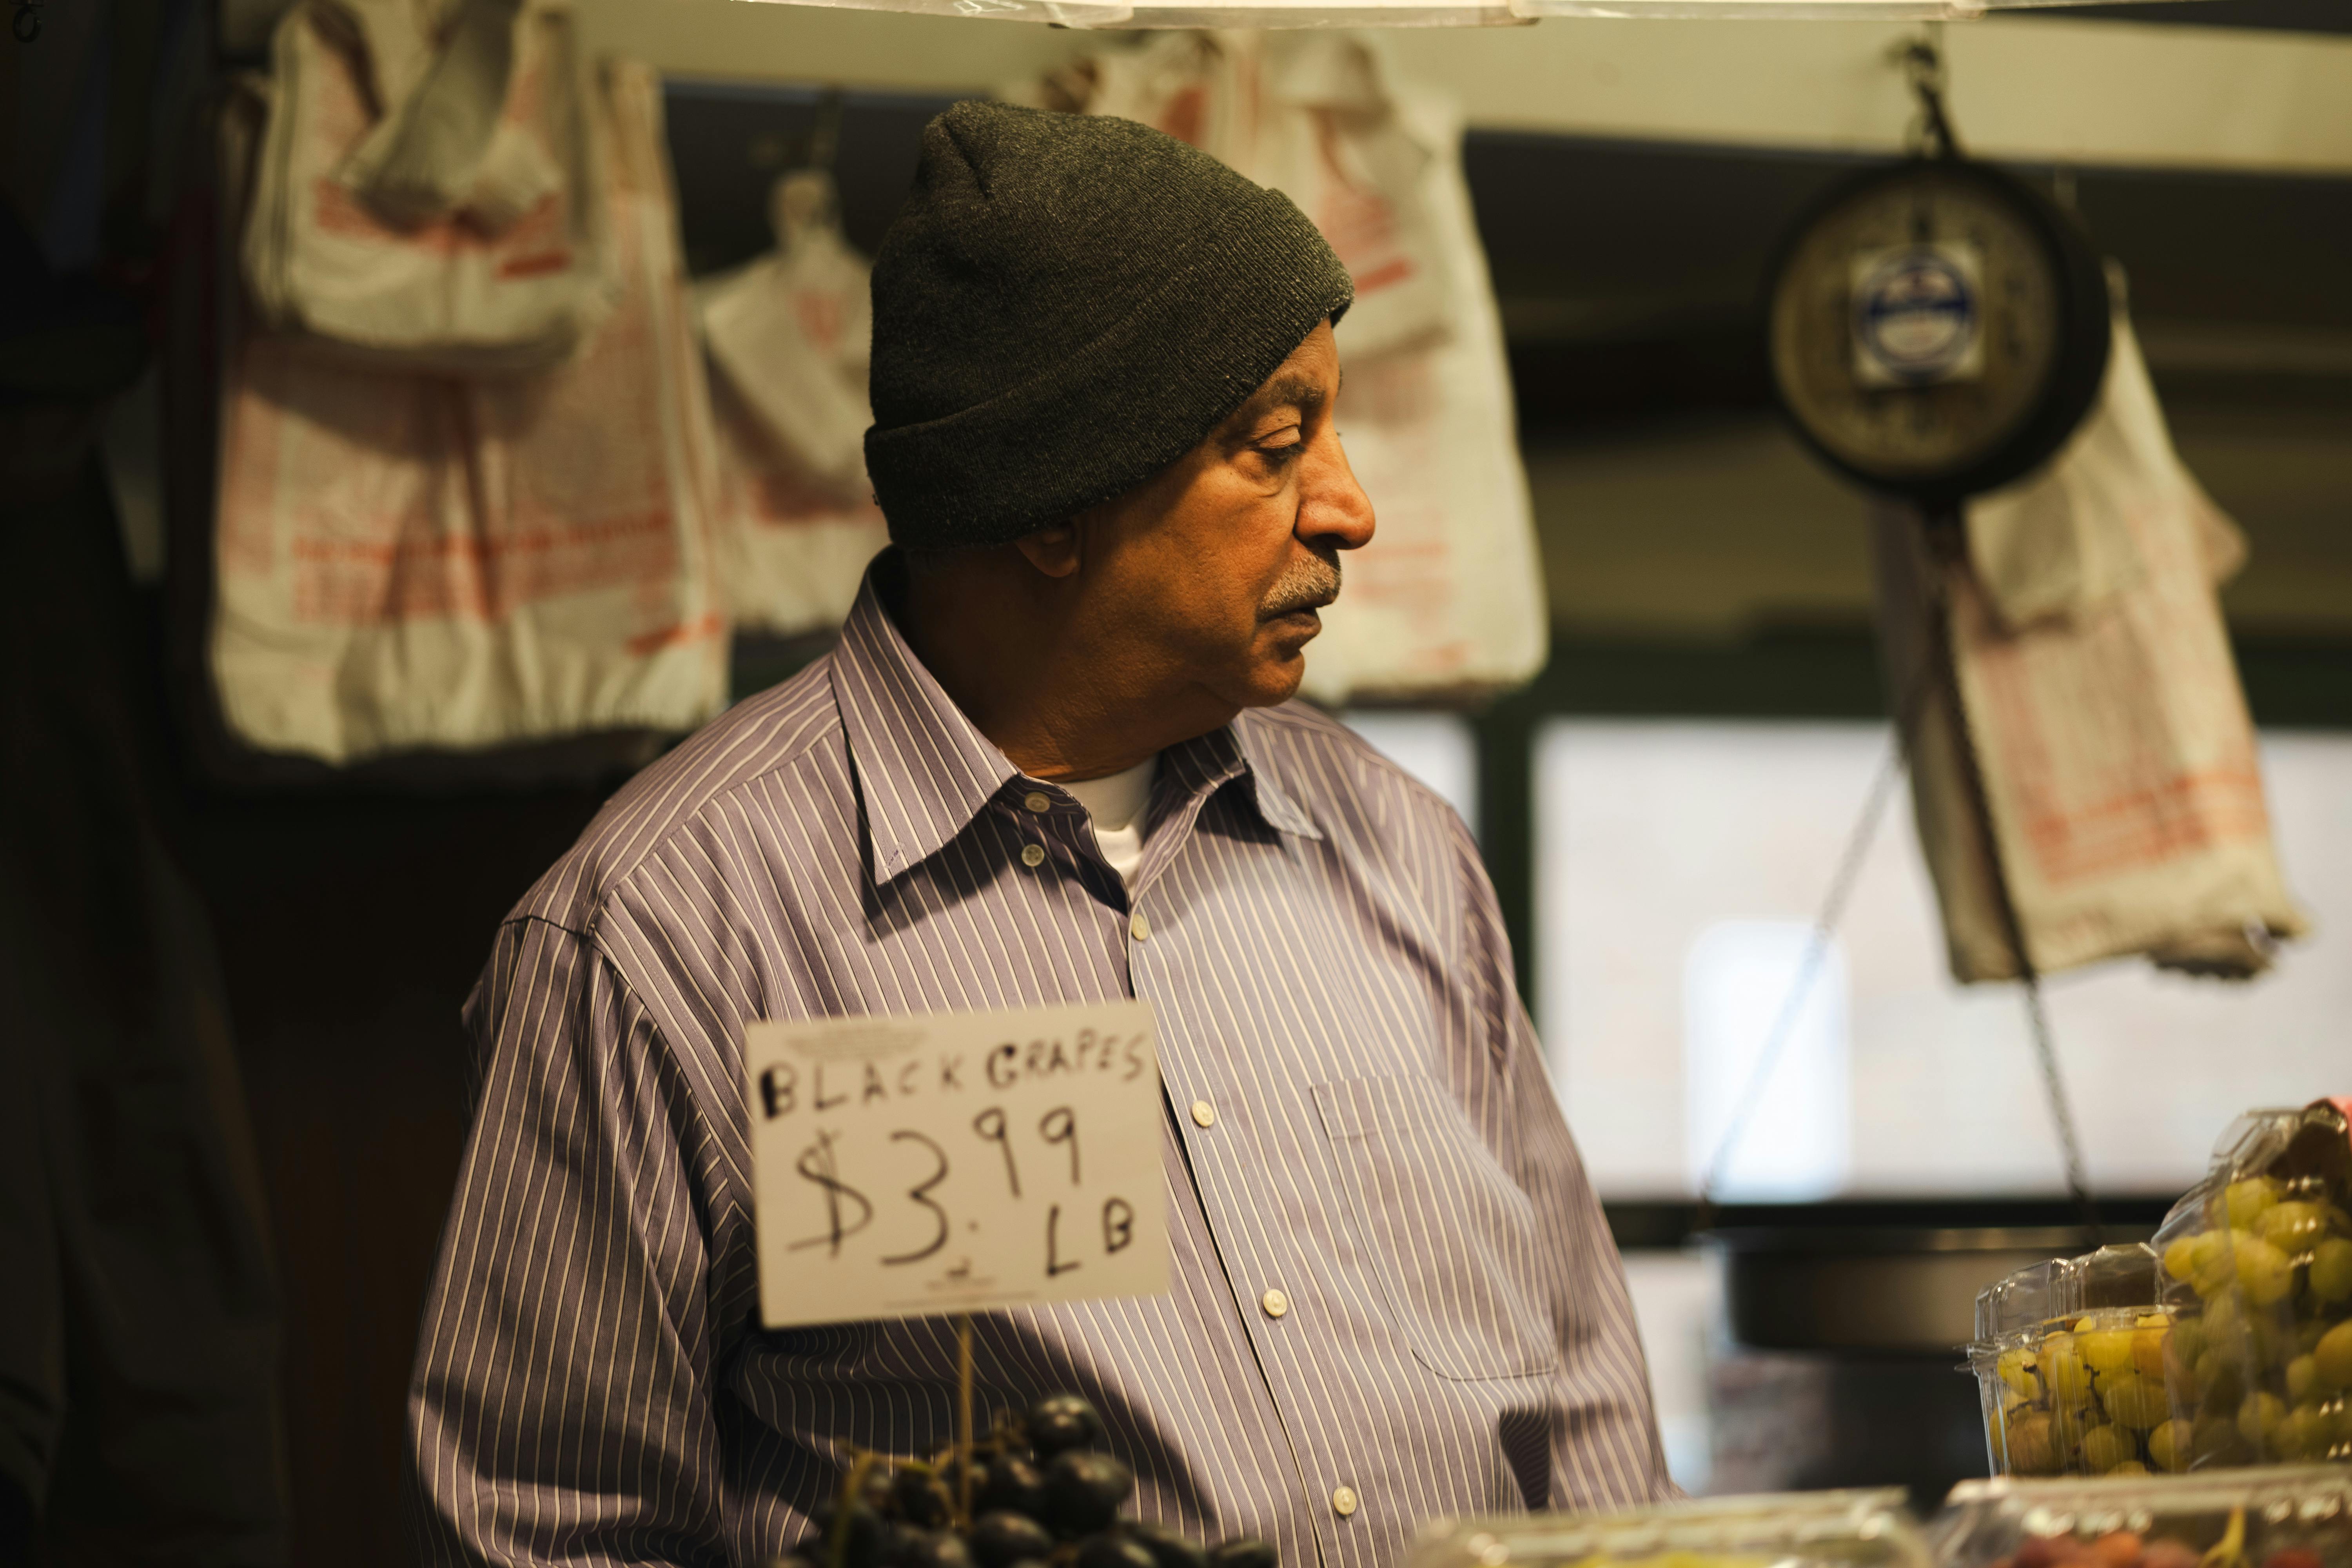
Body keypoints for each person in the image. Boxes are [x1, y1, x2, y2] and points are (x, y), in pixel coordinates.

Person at [407, 101, 1669, 1568]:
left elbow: (1592, 1430)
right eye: (1274, 444)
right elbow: (554, 1531)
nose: (1353, 508)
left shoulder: (1401, 850)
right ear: (1051, 507)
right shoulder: (671, 931)